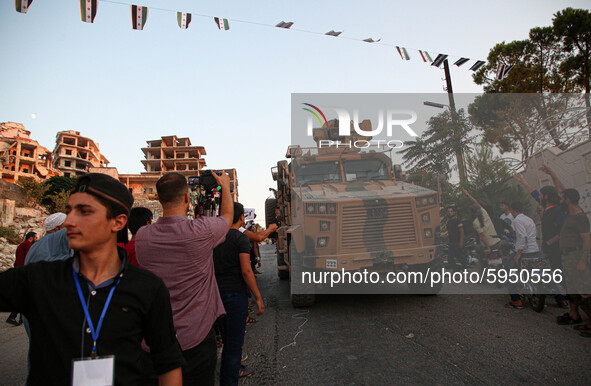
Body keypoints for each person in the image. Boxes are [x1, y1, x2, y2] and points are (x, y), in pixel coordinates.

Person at [0, 173, 183, 385]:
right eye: (69, 211)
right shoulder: (38, 279)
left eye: (84, 212)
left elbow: (168, 363)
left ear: (118, 222)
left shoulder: (148, 288)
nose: (69, 221)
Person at [136, 172, 233, 385]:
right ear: (187, 198)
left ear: (159, 199)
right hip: (195, 336)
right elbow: (227, 217)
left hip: (155, 339)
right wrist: (225, 187)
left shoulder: (142, 236)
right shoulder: (202, 230)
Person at [214, 203, 265, 385]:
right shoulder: (240, 238)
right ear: (242, 218)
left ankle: (226, 376)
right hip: (235, 297)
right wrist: (258, 297)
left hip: (215, 296)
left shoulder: (214, 238)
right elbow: (246, 271)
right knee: (234, 346)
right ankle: (230, 379)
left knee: (227, 340)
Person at [556, 188, 591, 335]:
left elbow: (587, 239)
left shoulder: (579, 216)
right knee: (574, 289)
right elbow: (561, 188)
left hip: (576, 256)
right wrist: (551, 173)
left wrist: (582, 260)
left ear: (568, 199)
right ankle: (575, 315)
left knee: (584, 290)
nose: (560, 200)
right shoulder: (569, 215)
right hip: (567, 257)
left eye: (562, 198)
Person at [504, 202, 539, 309]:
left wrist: (519, 253)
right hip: (535, 250)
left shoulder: (517, 220)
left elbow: (523, 237)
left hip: (524, 251)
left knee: (507, 272)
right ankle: (560, 298)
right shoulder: (529, 219)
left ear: (513, 210)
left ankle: (516, 300)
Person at [5, 231, 36, 325]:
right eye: (36, 237)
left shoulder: (21, 245)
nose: (37, 239)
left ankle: (19, 318)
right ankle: (13, 317)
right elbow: (29, 258)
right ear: (31, 238)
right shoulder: (28, 245)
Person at [445, 206, 464, 271]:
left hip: (457, 242)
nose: (449, 213)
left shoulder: (457, 221)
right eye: (448, 211)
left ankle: (464, 270)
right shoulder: (448, 223)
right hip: (451, 243)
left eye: (451, 211)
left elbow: (461, 231)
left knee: (460, 258)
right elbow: (450, 233)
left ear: (454, 212)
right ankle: (456, 271)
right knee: (450, 259)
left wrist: (461, 241)